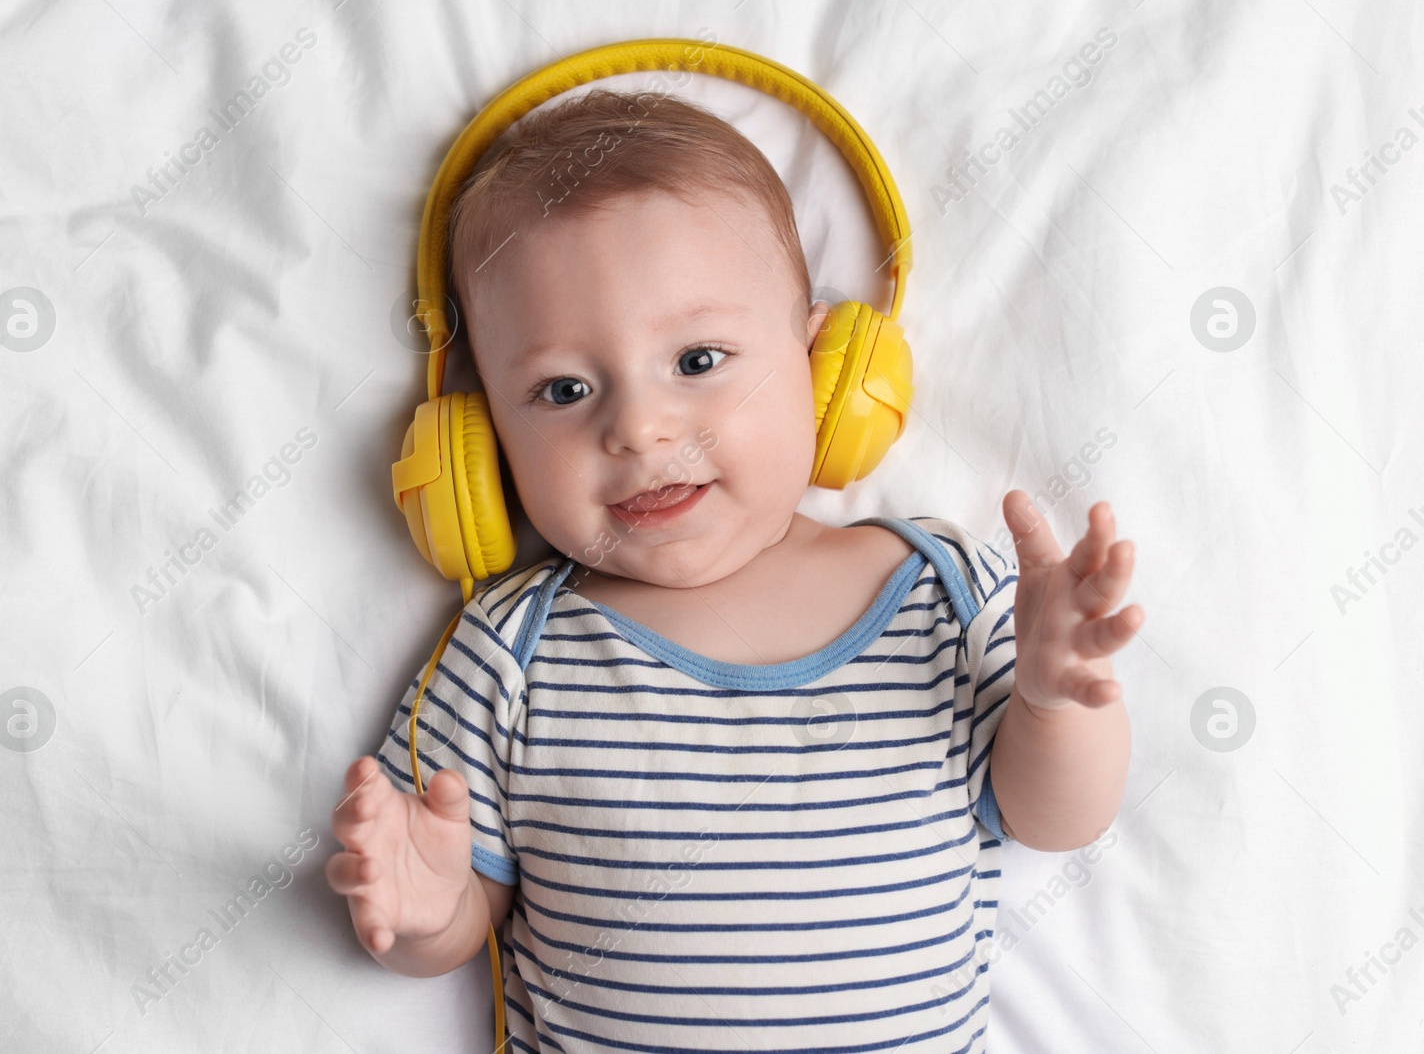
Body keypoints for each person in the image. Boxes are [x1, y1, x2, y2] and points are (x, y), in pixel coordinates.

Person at [326, 88, 1143, 1052]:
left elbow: (1056, 821)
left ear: (825, 366)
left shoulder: (938, 591)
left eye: (699, 358)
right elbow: (463, 920)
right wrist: (424, 913)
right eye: (563, 389)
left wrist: (1057, 704)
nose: (637, 428)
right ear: (482, 442)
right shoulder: (513, 651)